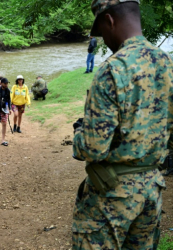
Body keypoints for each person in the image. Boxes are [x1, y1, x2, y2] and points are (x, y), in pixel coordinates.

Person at [72, 1, 172, 249]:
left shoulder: (113, 69)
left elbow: (93, 148)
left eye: (101, 30)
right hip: (152, 190)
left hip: (112, 194)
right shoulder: (167, 64)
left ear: (110, 21)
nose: (103, 39)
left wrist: (78, 134)